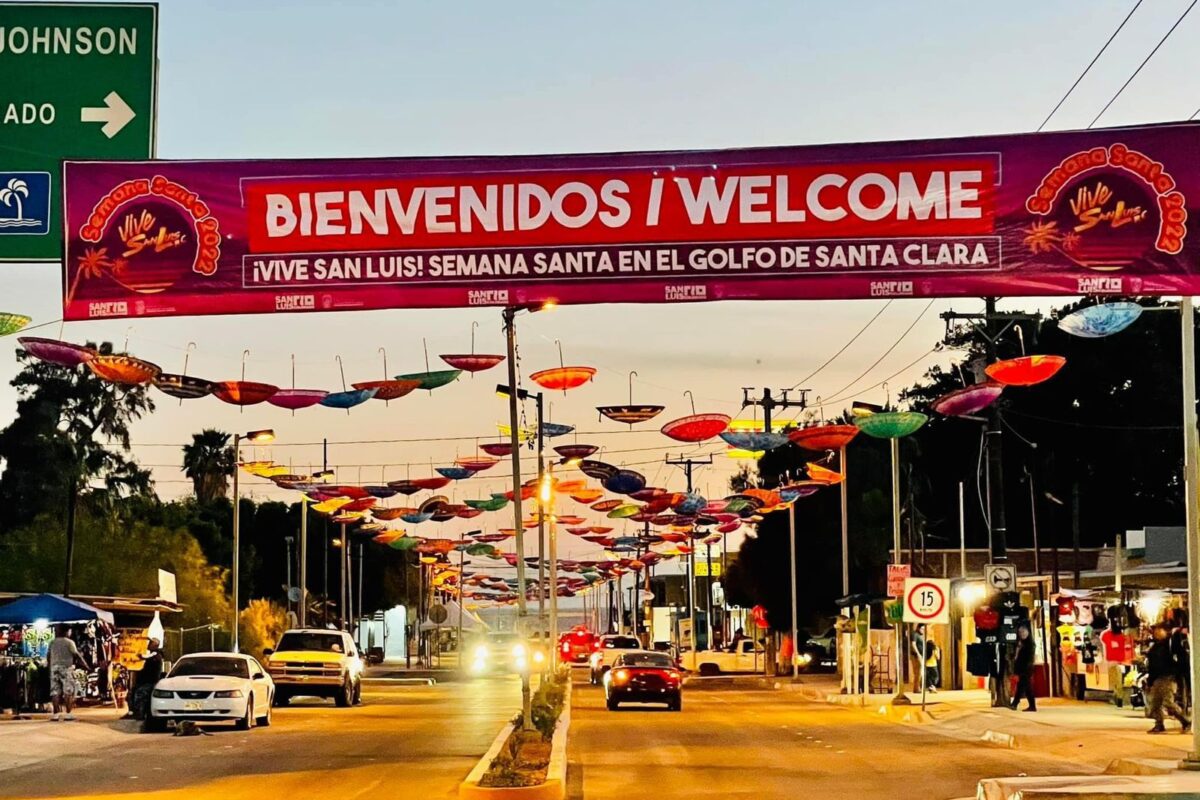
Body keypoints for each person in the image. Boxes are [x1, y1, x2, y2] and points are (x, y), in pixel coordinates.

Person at [1147, 624, 1191, 734]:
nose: (1157, 633)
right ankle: (1159, 724)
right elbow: (1151, 666)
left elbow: (1181, 657)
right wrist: (1150, 681)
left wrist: (1178, 673)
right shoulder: (1155, 647)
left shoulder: (1171, 643)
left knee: (1168, 702)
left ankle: (1185, 721)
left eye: (1159, 630)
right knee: (1155, 703)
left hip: (1169, 676)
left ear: (1165, 631)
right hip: (1157, 678)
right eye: (1155, 631)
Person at [48, 625, 88, 722]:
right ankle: (68, 713)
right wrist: (86, 665)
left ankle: (56, 714)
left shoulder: (52, 642)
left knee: (55, 691)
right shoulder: (69, 642)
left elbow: (48, 656)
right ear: (66, 631)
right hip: (66, 668)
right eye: (70, 631)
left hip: (54, 668)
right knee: (68, 691)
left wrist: (50, 667)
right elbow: (77, 654)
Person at [129, 638, 163, 721]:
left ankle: (140, 714)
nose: (148, 644)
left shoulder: (155, 654)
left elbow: (145, 657)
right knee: (140, 696)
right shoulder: (155, 655)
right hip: (148, 681)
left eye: (150, 643)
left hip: (149, 681)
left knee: (140, 696)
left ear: (155, 645)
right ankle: (139, 713)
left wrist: (139, 656)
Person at [1011, 624, 1037, 712]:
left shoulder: (1029, 644)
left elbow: (1028, 657)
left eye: (1023, 632)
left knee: (1025, 686)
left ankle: (1016, 703)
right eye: (1020, 632)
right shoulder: (1022, 643)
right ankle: (1016, 703)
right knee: (1023, 686)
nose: (1022, 634)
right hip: (1023, 668)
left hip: (1026, 668)